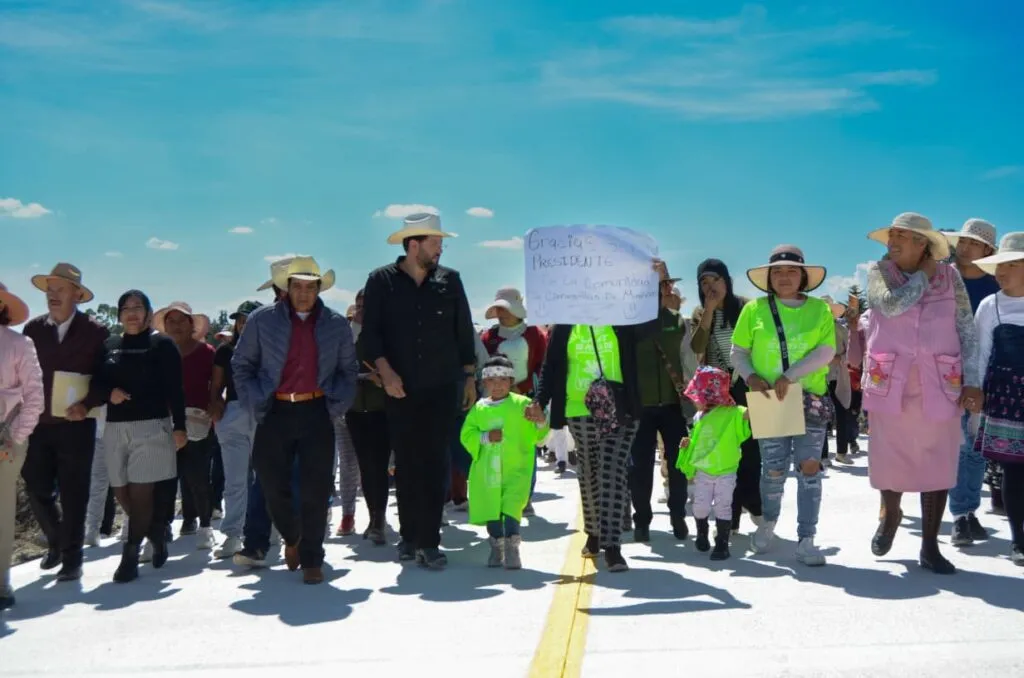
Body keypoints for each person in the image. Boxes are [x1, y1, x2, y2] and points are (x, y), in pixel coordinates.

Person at [860, 213, 982, 575]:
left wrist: (973, 379)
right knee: (890, 458)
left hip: (940, 380)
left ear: (922, 243)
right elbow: (891, 305)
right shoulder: (878, 272)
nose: (891, 242)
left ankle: (930, 545)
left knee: (938, 463)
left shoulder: (951, 278)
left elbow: (967, 329)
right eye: (891, 236)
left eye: (901, 236)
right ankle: (891, 516)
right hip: (890, 379)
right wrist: (923, 276)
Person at [528, 259, 667, 573]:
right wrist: (540, 400)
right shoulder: (563, 323)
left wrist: (657, 285)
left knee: (612, 471)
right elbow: (551, 367)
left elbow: (651, 324)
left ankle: (612, 545)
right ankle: (593, 531)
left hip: (621, 408)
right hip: (579, 409)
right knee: (589, 473)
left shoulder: (621, 318)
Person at [360, 213, 477, 570]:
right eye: (436, 242)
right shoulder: (381, 281)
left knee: (435, 460)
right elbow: (371, 336)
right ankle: (409, 537)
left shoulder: (450, 280)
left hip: (443, 385)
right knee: (407, 464)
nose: (441, 249)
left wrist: (470, 377)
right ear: (414, 245)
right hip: (400, 388)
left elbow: (463, 331)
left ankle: (430, 541)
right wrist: (385, 371)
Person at [233, 256, 358, 585]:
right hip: (274, 410)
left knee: (316, 488)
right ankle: (293, 536)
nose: (303, 293)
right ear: (286, 288)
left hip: (317, 409)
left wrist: (336, 406)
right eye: (297, 286)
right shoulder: (262, 320)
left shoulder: (335, 323)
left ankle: (313, 557)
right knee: (272, 483)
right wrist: (254, 401)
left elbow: (348, 371)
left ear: (319, 289)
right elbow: (241, 365)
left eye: (310, 287)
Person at [731, 245, 835, 566]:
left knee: (809, 468)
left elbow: (826, 351)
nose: (785, 276)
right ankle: (768, 524)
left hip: (809, 398)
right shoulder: (754, 310)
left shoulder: (820, 309)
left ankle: (807, 538)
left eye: (792, 270)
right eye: (778, 271)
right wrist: (750, 377)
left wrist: (790, 375)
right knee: (773, 469)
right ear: (768, 277)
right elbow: (739, 352)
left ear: (803, 275)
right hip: (769, 399)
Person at [21, 263, 109, 582]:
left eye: (59, 289)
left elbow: (103, 377)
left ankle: (72, 557)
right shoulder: (33, 331)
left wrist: (87, 404)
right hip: (40, 424)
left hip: (77, 425)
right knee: (35, 485)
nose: (52, 295)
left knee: (74, 493)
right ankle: (57, 541)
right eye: (49, 289)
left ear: (77, 295)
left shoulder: (96, 331)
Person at [99, 290, 188, 583]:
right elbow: (95, 382)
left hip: (152, 427)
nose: (132, 313)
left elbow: (176, 389)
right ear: (119, 314)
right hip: (114, 429)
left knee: (140, 493)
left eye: (138, 307)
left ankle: (130, 554)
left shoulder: (162, 344)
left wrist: (180, 426)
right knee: (121, 492)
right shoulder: (110, 345)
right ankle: (157, 532)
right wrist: (106, 393)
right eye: (125, 308)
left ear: (149, 313)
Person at [691, 258, 763, 534]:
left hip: (746, 385)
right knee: (728, 453)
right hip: (717, 393)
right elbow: (697, 345)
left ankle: (753, 502)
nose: (711, 287)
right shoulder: (700, 312)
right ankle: (730, 516)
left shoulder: (745, 306)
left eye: (715, 280)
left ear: (727, 281)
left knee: (752, 450)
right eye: (704, 282)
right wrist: (708, 311)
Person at [461, 355, 549, 569]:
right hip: (487, 472)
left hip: (516, 468)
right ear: (484, 383)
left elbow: (540, 435)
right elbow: (466, 435)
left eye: (503, 380)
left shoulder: (523, 404)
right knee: (492, 510)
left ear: (511, 382)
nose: (497, 385)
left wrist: (540, 421)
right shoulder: (479, 408)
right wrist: (485, 437)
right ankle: (496, 546)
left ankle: (512, 547)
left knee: (511, 507)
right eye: (492, 380)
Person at [944, 219, 1001, 543]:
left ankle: (968, 511)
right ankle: (960, 513)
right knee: (961, 445)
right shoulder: (944, 279)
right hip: (948, 374)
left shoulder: (997, 284)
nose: (964, 248)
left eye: (973, 243)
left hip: (984, 375)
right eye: (962, 242)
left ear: (987, 250)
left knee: (977, 447)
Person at [971, 232, 1024, 565]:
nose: (1001, 272)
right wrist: (974, 388)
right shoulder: (991, 305)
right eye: (998, 266)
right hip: (1007, 399)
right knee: (1014, 470)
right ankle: (1019, 539)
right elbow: (980, 352)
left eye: (1010, 265)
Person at [630, 266, 692, 543]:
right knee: (640, 466)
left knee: (678, 464)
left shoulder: (678, 322)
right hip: (639, 406)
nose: (661, 291)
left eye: (663, 286)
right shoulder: (628, 325)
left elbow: (690, 358)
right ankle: (641, 519)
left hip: (673, 405)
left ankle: (678, 514)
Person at [154, 301, 216, 551]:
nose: (176, 326)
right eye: (171, 321)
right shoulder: (157, 353)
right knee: (165, 477)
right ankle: (166, 524)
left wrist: (214, 406)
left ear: (192, 325)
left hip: (199, 423)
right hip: (164, 422)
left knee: (198, 476)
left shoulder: (207, 353)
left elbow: (218, 383)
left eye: (182, 320)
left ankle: (205, 526)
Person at [0, 283, 45, 610]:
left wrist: (14, 438)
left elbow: (34, 397)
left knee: (1, 508)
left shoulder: (19, 343)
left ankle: (1, 582)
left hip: (5, 437)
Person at [677, 366, 751, 561]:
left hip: (726, 470)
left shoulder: (733, 412)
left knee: (723, 506)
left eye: (697, 396)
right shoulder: (698, 417)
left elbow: (748, 414)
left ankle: (722, 544)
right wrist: (687, 444)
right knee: (700, 506)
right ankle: (702, 533)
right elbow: (696, 439)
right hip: (704, 470)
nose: (695, 401)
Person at [208, 300, 261, 558]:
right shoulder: (225, 351)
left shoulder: (269, 347)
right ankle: (232, 534)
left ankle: (267, 530)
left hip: (264, 413)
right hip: (235, 411)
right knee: (235, 478)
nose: (243, 324)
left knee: (265, 476)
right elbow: (216, 386)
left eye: (249, 319)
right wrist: (216, 407)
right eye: (240, 319)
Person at [344, 290, 390, 545]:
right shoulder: (345, 334)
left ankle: (378, 519)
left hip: (381, 409)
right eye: (359, 304)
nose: (362, 308)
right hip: (353, 411)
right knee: (365, 467)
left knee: (379, 467)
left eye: (366, 304)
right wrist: (364, 378)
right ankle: (375, 517)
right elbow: (337, 371)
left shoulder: (383, 334)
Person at [820, 296, 853, 465]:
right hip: (818, 377)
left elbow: (853, 352)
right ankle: (823, 455)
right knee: (820, 416)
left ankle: (841, 452)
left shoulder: (841, 329)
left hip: (838, 377)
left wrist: (839, 358)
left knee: (843, 414)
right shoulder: (813, 330)